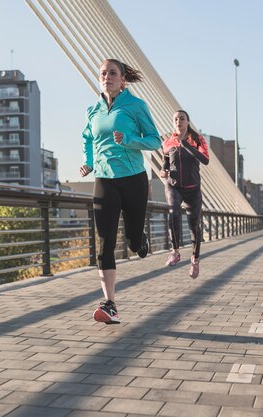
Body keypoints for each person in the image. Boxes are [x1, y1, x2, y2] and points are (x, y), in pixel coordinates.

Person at [80, 58, 161, 324]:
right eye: (103, 73)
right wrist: (89, 163)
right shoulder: (93, 110)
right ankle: (110, 304)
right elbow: (87, 139)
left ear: (122, 79)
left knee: (133, 242)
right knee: (104, 244)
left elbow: (154, 140)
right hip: (104, 181)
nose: (106, 77)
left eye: (112, 73)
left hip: (133, 179)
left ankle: (140, 241)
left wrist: (128, 141)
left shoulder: (136, 106)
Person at [160, 110, 210, 279]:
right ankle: (175, 252)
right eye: (175, 119)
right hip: (174, 185)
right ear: (173, 122)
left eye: (182, 118)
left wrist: (186, 145)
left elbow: (205, 160)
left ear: (188, 121)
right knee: (173, 210)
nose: (178, 121)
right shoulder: (168, 141)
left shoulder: (197, 139)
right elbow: (165, 160)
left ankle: (195, 260)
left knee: (194, 227)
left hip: (193, 188)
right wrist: (163, 169)